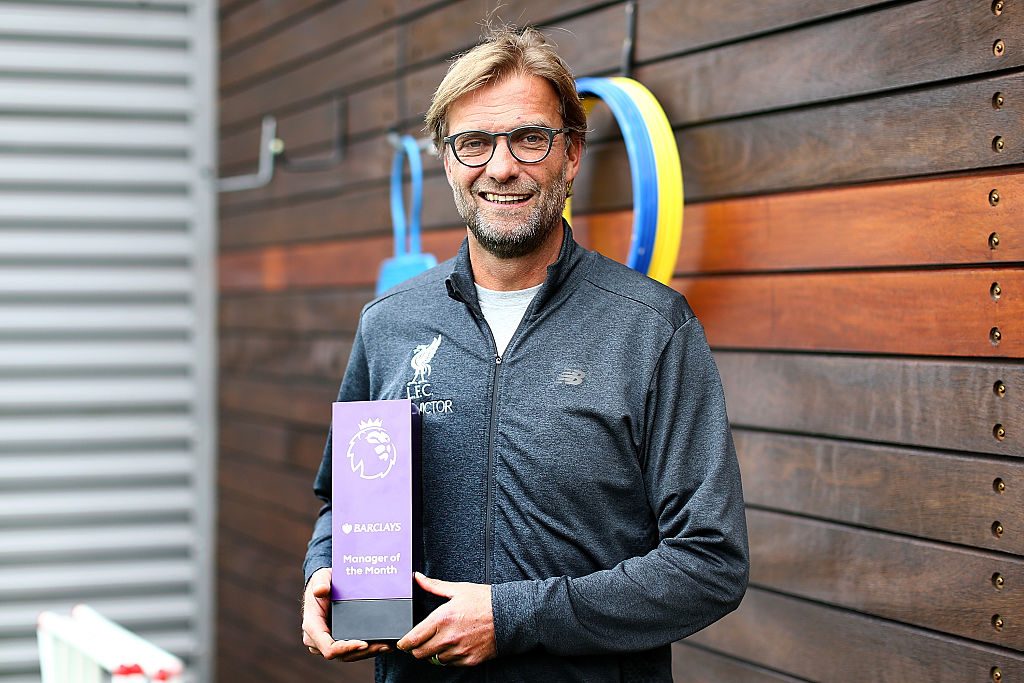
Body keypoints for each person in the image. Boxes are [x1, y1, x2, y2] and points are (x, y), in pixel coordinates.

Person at [301, 24, 748, 683]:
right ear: (448, 160)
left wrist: (514, 616)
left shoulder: (651, 328)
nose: (502, 166)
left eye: (529, 138)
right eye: (475, 142)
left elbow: (709, 562)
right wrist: (324, 571)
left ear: (570, 155)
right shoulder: (390, 324)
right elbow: (344, 501)